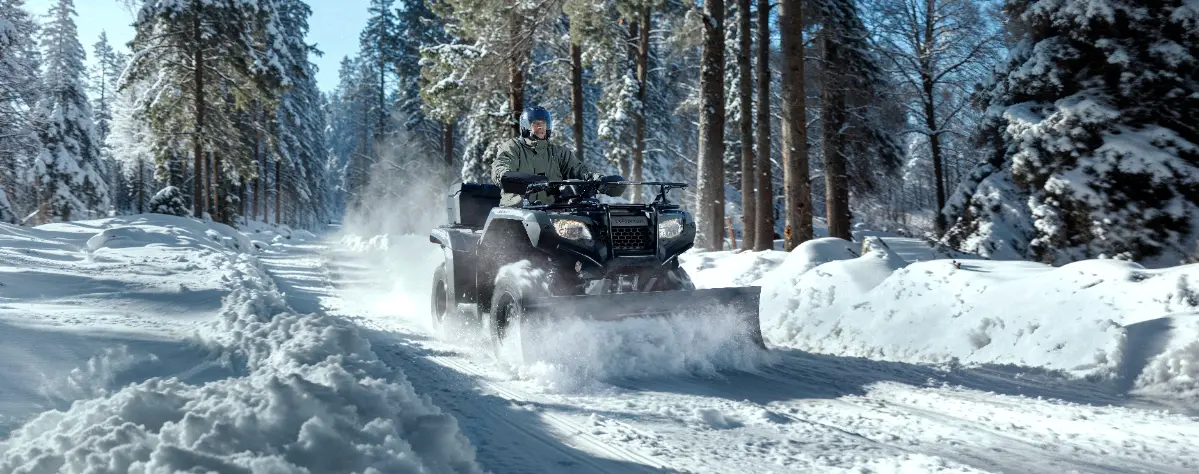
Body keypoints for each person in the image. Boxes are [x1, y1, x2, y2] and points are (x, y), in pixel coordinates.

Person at [491, 105, 594, 206]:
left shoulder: (558, 152)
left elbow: (579, 170)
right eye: (535, 123)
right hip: (517, 211)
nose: (540, 127)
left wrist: (596, 179)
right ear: (526, 127)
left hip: (552, 211)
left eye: (543, 123)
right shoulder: (513, 147)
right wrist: (506, 176)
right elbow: (500, 167)